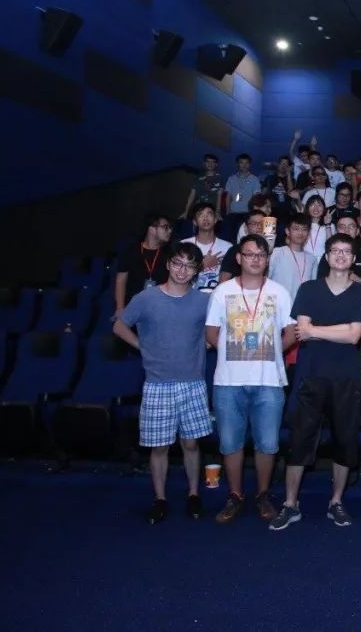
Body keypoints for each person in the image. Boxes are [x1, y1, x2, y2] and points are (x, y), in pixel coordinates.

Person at [269, 234, 361, 531]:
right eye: (335, 250)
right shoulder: (309, 288)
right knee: (299, 440)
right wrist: (329, 330)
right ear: (326, 256)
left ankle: (336, 501)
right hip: (310, 374)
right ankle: (290, 503)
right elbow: (301, 330)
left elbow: (354, 336)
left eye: (346, 251)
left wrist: (316, 330)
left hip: (346, 377)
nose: (340, 255)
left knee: (344, 441)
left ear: (353, 259)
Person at [113, 241, 211, 524]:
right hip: (157, 384)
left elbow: (214, 333)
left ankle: (193, 494)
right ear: (168, 264)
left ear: (196, 271)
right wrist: (142, 346)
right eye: (177, 263)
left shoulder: (204, 301)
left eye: (189, 266)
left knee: (191, 444)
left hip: (193, 382)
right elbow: (119, 326)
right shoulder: (146, 298)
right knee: (159, 447)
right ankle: (160, 499)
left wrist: (205, 345)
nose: (182, 270)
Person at [204, 235, 295, 523]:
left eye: (260, 255)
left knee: (267, 443)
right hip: (228, 381)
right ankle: (235, 495)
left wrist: (272, 351)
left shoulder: (279, 292)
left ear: (267, 260)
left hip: (269, 380)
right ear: (239, 258)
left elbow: (291, 332)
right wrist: (236, 351)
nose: (255, 259)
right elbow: (211, 333)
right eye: (249, 254)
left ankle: (263, 494)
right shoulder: (223, 291)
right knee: (230, 443)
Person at [114, 213, 172, 319]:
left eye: (170, 227)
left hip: (160, 309)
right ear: (151, 229)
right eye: (165, 227)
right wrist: (120, 308)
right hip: (133, 308)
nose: (169, 230)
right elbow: (120, 280)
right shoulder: (131, 251)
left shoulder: (170, 253)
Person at [182, 202, 233, 293]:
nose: (205, 218)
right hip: (189, 294)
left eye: (209, 214)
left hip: (218, 295)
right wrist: (203, 265)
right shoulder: (184, 245)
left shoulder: (228, 247)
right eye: (200, 215)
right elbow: (178, 273)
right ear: (195, 222)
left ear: (215, 219)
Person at [267, 213, 318, 302]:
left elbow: (312, 288)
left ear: (309, 233)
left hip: (302, 307)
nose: (300, 233)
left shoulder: (312, 259)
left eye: (304, 229)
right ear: (287, 231)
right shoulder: (276, 253)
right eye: (296, 229)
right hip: (278, 305)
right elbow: (265, 279)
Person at [181, 153, 223, 220]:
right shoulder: (198, 178)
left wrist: (218, 212)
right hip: (198, 209)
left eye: (212, 162)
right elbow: (192, 195)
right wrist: (186, 212)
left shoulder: (220, 178)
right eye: (208, 161)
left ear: (216, 164)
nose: (210, 164)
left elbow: (219, 196)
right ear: (204, 163)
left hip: (212, 210)